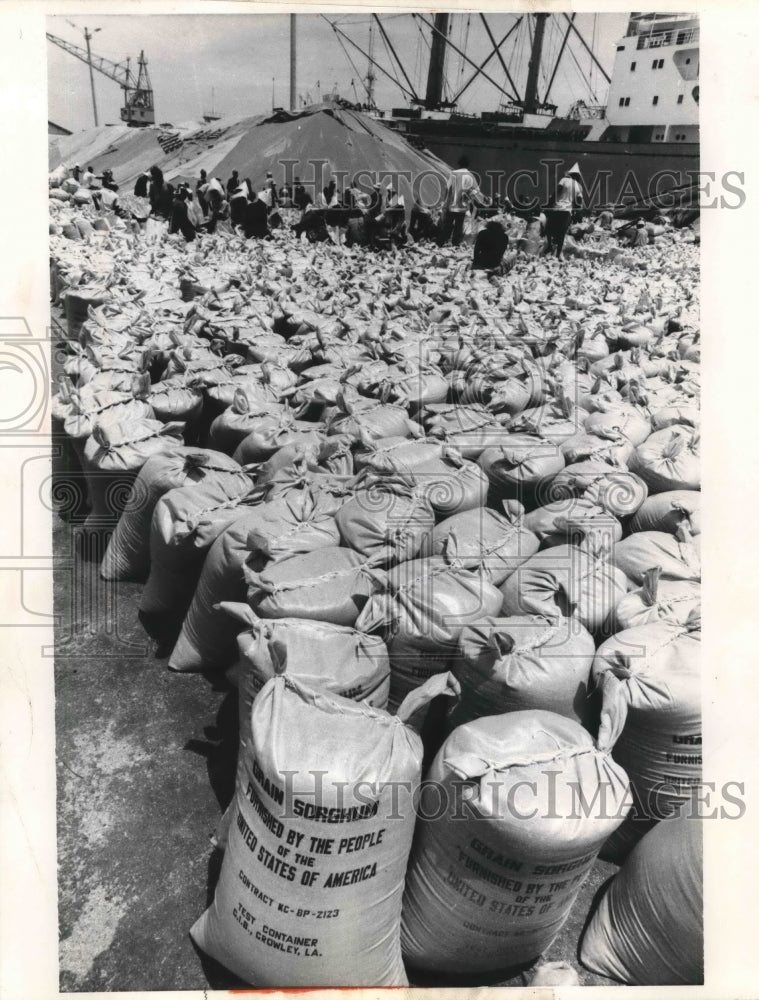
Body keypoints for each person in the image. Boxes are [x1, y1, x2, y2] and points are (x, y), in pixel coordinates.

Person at [441, 156, 488, 246]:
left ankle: (442, 242)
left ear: (459, 164)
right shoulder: (470, 175)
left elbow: (447, 188)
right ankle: (455, 244)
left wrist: (445, 202)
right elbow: (475, 191)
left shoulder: (453, 173)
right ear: (468, 165)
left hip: (451, 204)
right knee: (459, 226)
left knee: (448, 224)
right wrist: (480, 200)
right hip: (462, 206)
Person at [545, 162, 584, 258]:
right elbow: (579, 202)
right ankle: (558, 254)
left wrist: (550, 203)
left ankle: (549, 246)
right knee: (562, 233)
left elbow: (557, 191)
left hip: (556, 208)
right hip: (567, 212)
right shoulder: (579, 186)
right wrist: (575, 211)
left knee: (549, 229)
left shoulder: (564, 180)